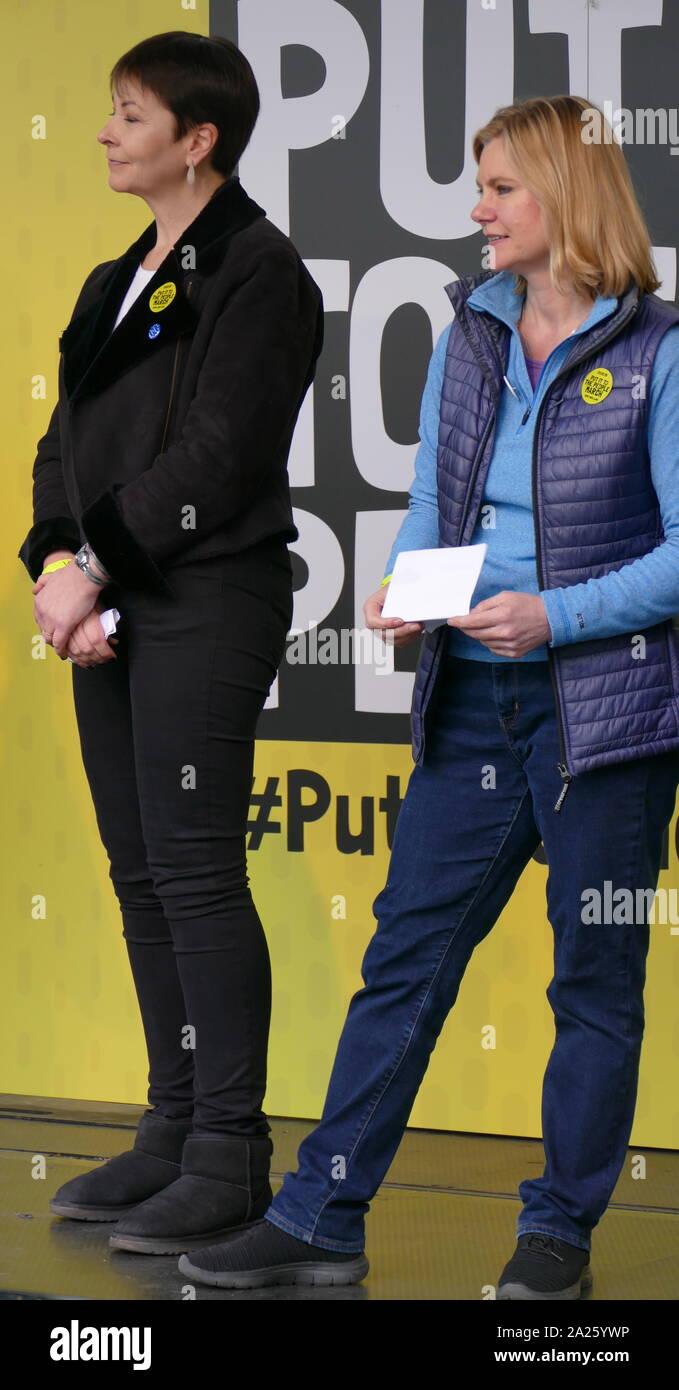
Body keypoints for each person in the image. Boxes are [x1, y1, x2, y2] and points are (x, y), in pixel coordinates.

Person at [176, 94, 679, 1298]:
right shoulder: (469, 334)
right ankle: (319, 1215)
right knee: (405, 959)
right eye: (477, 185)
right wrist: (411, 584)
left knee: (592, 979)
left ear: (564, 193)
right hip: (473, 702)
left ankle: (555, 1234)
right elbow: (430, 497)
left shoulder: (657, 350)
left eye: (501, 187)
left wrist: (555, 614)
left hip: (602, 716)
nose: (479, 208)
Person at [17, 30, 323, 1255]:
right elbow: (65, 453)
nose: (104, 132)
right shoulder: (110, 285)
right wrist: (58, 567)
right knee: (138, 868)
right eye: (106, 111)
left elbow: (220, 457)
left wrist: (94, 569)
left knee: (193, 869)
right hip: (114, 605)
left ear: (197, 141)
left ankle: (228, 1153)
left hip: (208, 596)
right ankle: (172, 1125)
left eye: (130, 115)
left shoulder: (260, 270)